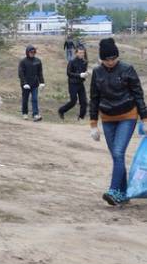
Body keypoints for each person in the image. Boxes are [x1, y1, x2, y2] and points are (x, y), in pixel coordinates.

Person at [88, 37, 147, 206]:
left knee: (119, 152)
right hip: (107, 118)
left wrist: (144, 119)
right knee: (116, 156)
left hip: (127, 116)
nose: (111, 62)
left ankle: (113, 190)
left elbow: (138, 95)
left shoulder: (127, 69)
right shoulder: (97, 73)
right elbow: (94, 98)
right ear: (101, 59)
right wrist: (93, 124)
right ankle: (124, 194)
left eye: (113, 58)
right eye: (107, 59)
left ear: (117, 57)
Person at [58, 45, 88, 121]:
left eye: (83, 53)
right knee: (73, 101)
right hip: (72, 84)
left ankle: (81, 117)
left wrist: (85, 74)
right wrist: (79, 75)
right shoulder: (72, 62)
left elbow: (83, 72)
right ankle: (61, 110)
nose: (82, 54)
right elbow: (68, 73)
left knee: (84, 101)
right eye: (80, 53)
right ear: (76, 53)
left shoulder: (84, 62)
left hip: (80, 84)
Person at [19, 45, 45, 121]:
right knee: (25, 99)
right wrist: (24, 83)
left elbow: (40, 72)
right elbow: (21, 73)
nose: (32, 53)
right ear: (27, 52)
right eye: (31, 52)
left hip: (34, 84)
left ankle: (35, 114)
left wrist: (42, 82)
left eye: (34, 52)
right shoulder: (23, 61)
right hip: (26, 84)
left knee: (34, 99)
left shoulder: (38, 61)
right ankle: (25, 113)